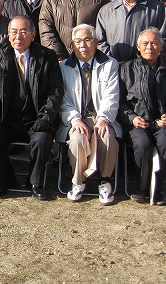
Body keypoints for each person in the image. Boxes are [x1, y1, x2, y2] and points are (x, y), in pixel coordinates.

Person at [0, 16, 63, 200]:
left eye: (24, 31)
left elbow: (55, 92)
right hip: (6, 119)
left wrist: (45, 118)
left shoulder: (47, 57)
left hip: (36, 118)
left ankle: (34, 183)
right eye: (14, 31)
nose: (18, 36)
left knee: (42, 139)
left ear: (33, 35)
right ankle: (4, 180)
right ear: (8, 35)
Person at [118, 28, 166, 205]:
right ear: (138, 47)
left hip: (164, 124)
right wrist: (131, 118)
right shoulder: (126, 70)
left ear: (161, 47)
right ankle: (143, 189)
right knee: (143, 144)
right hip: (137, 124)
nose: (149, 47)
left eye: (154, 43)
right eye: (145, 43)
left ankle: (158, 189)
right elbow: (119, 102)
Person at [57, 24, 120, 205]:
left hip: (101, 116)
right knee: (77, 139)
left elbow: (112, 95)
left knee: (106, 136)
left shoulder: (109, 64)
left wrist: (103, 119)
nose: (82, 45)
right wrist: (74, 119)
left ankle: (105, 181)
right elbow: (62, 98)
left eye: (87, 40)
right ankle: (78, 182)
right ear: (72, 46)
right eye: (77, 41)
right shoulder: (64, 67)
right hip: (76, 117)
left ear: (96, 42)